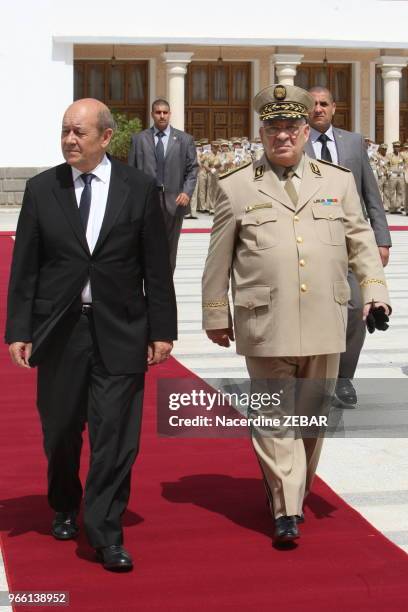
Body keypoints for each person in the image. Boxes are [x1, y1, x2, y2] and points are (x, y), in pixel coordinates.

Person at [201, 84, 390, 544]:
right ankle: (288, 508)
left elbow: (361, 242)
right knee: (272, 416)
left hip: (326, 318)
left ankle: (290, 491)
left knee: (310, 418)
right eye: (273, 128)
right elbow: (217, 259)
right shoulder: (237, 185)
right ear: (261, 134)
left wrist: (375, 292)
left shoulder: (338, 181)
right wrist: (214, 314)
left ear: (306, 132)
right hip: (265, 320)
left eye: (290, 127)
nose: (282, 136)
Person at [5, 98, 177, 572]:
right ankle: (64, 501)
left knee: (116, 437)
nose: (69, 140)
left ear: (106, 138)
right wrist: (20, 328)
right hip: (60, 332)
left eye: (79, 132)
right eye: (64, 131)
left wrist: (162, 329)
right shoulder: (43, 189)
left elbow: (155, 266)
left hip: (121, 328)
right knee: (61, 430)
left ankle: (104, 531)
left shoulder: (138, 188)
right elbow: (26, 267)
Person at [306, 86, 391, 408]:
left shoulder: (353, 142)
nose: (318, 109)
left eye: (323, 104)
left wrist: (381, 237)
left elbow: (371, 192)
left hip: (352, 242)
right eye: (312, 104)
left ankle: (343, 378)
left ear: (334, 107)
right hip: (311, 242)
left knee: (357, 308)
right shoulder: (296, 141)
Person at [128, 98, 198, 272]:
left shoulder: (184, 139)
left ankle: (166, 288)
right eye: (158, 112)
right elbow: (132, 172)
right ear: (152, 114)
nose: (162, 116)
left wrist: (187, 192)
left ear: (170, 114)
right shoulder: (139, 140)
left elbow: (193, 169)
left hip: (174, 201)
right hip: (147, 201)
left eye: (165, 112)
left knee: (169, 248)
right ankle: (147, 285)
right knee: (146, 246)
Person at [385, 141, 405, 214]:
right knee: (392, 192)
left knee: (400, 192)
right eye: (395, 147)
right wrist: (388, 173)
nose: (397, 148)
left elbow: (404, 164)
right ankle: (392, 208)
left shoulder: (402, 156)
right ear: (393, 147)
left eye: (398, 147)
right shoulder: (389, 155)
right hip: (393, 176)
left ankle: (398, 207)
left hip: (400, 176)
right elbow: (385, 165)